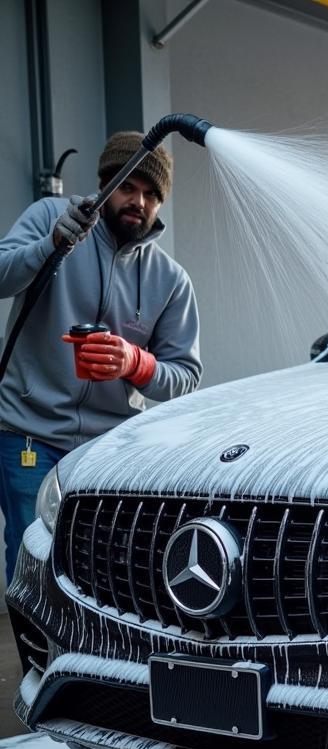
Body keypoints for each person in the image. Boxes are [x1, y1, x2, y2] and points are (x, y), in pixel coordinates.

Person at [0, 131, 201, 584]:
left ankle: (92, 654)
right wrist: (48, 245)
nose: (139, 201)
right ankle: (39, 657)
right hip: (29, 434)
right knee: (33, 561)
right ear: (105, 183)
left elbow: (186, 376)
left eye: (151, 195)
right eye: (128, 186)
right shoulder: (50, 217)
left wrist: (136, 363)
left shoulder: (169, 279)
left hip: (110, 448)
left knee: (106, 566)